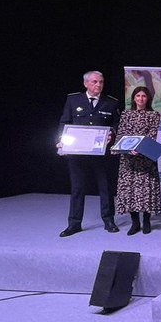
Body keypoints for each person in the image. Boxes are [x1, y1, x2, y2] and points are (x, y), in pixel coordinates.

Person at [58, 70, 121, 237]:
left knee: (105, 188)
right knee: (77, 188)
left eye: (101, 82)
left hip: (101, 153)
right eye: (94, 82)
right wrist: (62, 141)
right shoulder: (73, 100)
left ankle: (109, 220)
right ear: (85, 83)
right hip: (77, 154)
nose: (98, 85)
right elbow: (65, 122)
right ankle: (74, 224)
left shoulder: (111, 102)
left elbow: (117, 123)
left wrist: (112, 133)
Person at [114, 86, 161, 235]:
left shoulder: (154, 115)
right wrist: (127, 149)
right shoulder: (126, 114)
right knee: (129, 191)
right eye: (138, 96)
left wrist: (139, 149)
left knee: (146, 190)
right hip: (128, 159)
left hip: (146, 158)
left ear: (148, 99)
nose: (141, 98)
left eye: (144, 96)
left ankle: (147, 221)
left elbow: (152, 136)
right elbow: (121, 134)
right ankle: (135, 222)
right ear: (133, 98)